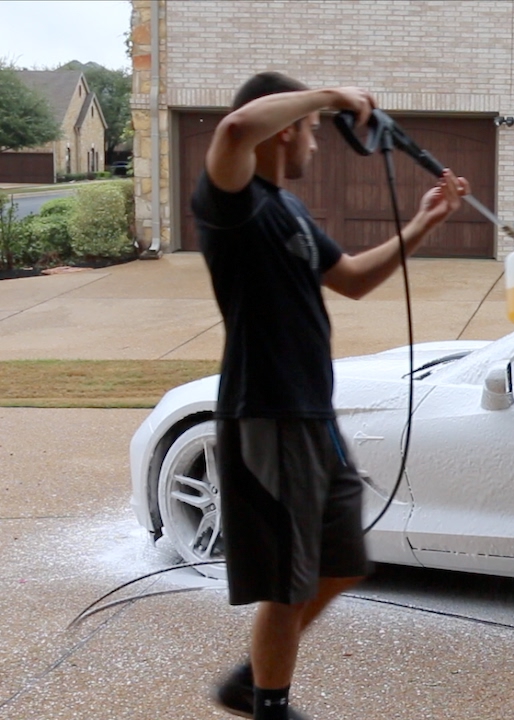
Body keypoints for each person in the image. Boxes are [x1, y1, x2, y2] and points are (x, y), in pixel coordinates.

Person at [191, 71, 470, 720]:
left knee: (342, 561)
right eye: (313, 132)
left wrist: (426, 223)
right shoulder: (230, 201)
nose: (317, 144)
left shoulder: (286, 208)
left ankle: (251, 679)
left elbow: (350, 280)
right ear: (286, 127)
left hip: (313, 411)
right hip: (270, 410)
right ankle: (270, 705)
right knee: (289, 581)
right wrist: (332, 96)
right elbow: (235, 128)